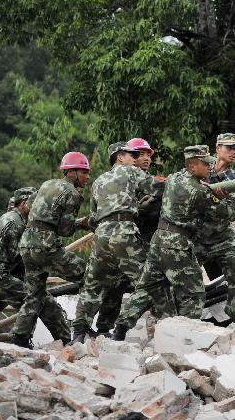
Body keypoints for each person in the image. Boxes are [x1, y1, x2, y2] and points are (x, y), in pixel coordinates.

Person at [111, 145, 235, 339]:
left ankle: (120, 328)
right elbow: (223, 213)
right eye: (206, 164)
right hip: (176, 245)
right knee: (194, 295)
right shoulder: (198, 191)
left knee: (146, 288)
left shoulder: (176, 177)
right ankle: (186, 339)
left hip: (158, 241)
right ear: (193, 166)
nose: (210, 168)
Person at [71, 141, 169, 343]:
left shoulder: (98, 181)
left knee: (93, 284)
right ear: (119, 157)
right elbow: (158, 187)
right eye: (130, 155)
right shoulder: (130, 172)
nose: (134, 158)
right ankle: (169, 324)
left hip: (101, 235)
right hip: (123, 230)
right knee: (149, 280)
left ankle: (79, 334)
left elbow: (92, 215)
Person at [0, 187, 70, 351]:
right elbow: (25, 258)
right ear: (24, 204)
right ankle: (65, 344)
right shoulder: (15, 223)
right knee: (43, 302)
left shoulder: (12, 218)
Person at [11, 152, 92, 347]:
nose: (87, 177)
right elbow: (65, 229)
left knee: (34, 295)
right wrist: (83, 223)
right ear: (71, 172)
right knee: (89, 277)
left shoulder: (46, 185)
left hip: (27, 243)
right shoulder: (72, 194)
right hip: (46, 245)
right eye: (84, 172)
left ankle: (19, 339)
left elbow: (28, 207)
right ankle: (84, 329)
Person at [193, 133, 235, 325]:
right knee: (183, 277)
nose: (234, 152)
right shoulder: (199, 168)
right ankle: (187, 319)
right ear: (218, 149)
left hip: (221, 236)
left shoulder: (233, 179)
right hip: (197, 237)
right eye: (229, 148)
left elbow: (225, 212)